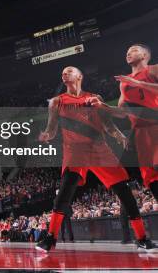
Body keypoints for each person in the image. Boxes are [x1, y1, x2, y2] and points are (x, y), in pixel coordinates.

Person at [35, 66, 156, 252]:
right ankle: (50, 238)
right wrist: (45, 135)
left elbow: (108, 125)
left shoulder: (95, 98)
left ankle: (141, 238)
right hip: (75, 151)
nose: (64, 73)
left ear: (79, 76)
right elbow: (51, 130)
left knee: (124, 193)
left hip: (99, 150)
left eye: (69, 71)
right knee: (64, 193)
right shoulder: (56, 102)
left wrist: (119, 137)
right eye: (62, 73)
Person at [89, 44, 157, 198]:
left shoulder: (154, 70)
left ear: (145, 55)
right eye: (127, 52)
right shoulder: (124, 82)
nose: (128, 53)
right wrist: (103, 106)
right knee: (151, 178)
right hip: (141, 133)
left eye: (133, 50)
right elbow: (122, 113)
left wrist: (139, 84)